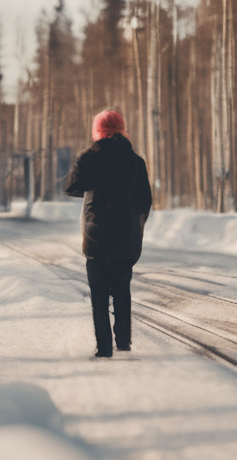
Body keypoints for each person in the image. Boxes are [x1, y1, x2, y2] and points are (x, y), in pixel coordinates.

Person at [65, 110, 153, 358]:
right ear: (123, 130)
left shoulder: (89, 157)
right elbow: (145, 201)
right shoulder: (136, 161)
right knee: (122, 290)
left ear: (97, 131)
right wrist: (136, 226)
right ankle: (123, 342)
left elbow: (73, 187)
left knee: (99, 296)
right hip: (127, 239)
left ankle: (104, 347)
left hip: (97, 238)